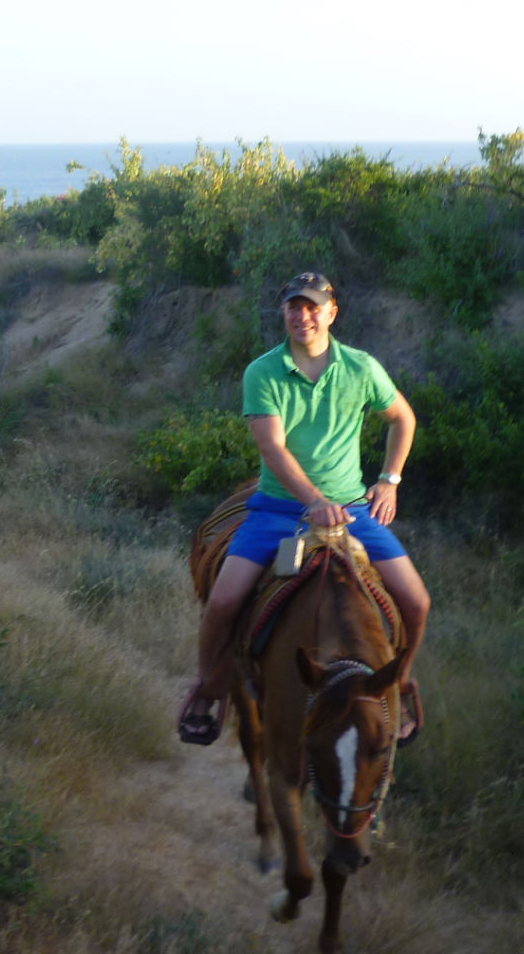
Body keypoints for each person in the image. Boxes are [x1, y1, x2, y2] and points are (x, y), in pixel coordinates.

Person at [177, 271, 431, 745]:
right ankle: (210, 688)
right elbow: (273, 449)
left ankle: (398, 684)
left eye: (313, 306)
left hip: (353, 509)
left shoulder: (361, 367)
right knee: (224, 602)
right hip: (277, 510)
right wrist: (313, 501)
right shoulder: (263, 371)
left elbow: (403, 417)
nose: (303, 315)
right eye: (294, 306)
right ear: (284, 313)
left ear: (332, 312)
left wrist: (389, 481)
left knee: (416, 602)